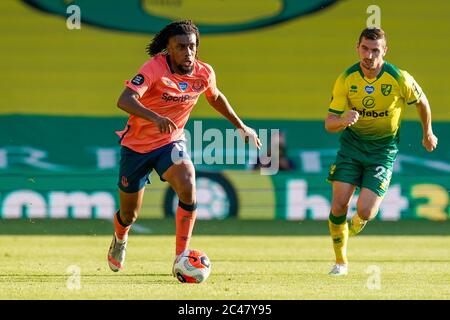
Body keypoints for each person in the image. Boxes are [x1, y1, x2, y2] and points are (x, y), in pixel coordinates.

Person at [108, 20, 261, 274]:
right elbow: (124, 100)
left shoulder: (204, 73)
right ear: (168, 49)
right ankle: (121, 238)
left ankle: (181, 257)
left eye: (192, 46)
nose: (187, 53)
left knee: (189, 183)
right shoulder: (154, 68)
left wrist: (241, 126)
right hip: (136, 146)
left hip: (170, 142)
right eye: (180, 47)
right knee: (129, 215)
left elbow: (215, 97)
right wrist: (156, 117)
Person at [325, 28, 438, 276]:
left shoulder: (399, 78)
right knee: (338, 205)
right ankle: (340, 262)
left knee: (365, 211)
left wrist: (427, 133)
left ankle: (354, 226)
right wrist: (343, 119)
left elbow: (422, 102)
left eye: (375, 50)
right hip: (351, 148)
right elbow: (330, 123)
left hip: (383, 151)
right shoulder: (346, 78)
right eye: (365, 48)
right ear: (357, 48)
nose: (369, 55)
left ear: (384, 51)